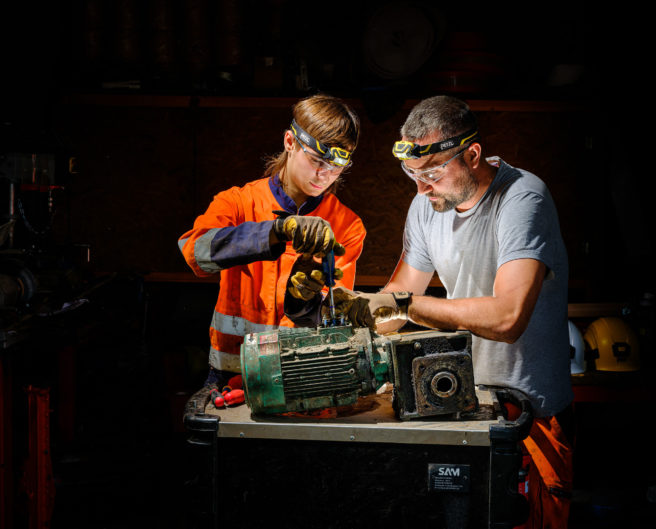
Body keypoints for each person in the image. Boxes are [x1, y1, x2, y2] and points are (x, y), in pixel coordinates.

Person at [327, 95, 573, 528]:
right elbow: (399, 297)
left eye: (433, 172)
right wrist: (356, 314)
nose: (421, 188)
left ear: (473, 154)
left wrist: (403, 305)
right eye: (411, 173)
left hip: (528, 415)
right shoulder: (426, 206)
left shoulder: (522, 199)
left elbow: (507, 318)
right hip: (463, 401)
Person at [178, 94, 366, 388]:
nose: (324, 175)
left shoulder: (346, 226)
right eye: (316, 160)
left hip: (301, 373)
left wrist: (303, 303)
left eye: (336, 167)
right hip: (232, 373)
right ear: (290, 142)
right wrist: (275, 232)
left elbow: (334, 313)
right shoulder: (238, 203)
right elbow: (195, 252)